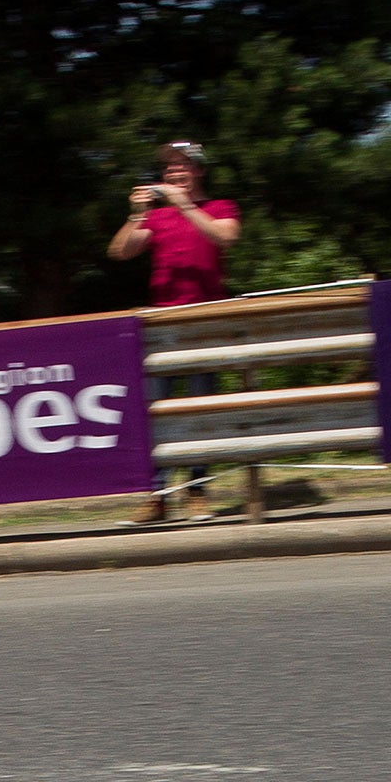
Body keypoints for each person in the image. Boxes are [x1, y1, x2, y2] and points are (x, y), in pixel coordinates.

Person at [106, 141, 242, 524]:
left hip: (204, 320)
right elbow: (119, 251)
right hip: (161, 325)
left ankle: (196, 491)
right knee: (157, 412)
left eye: (181, 167)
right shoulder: (157, 217)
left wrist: (184, 204)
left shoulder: (220, 207)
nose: (173, 174)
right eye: (168, 169)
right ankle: (158, 495)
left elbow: (226, 237)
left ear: (198, 171)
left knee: (199, 409)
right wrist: (137, 213)